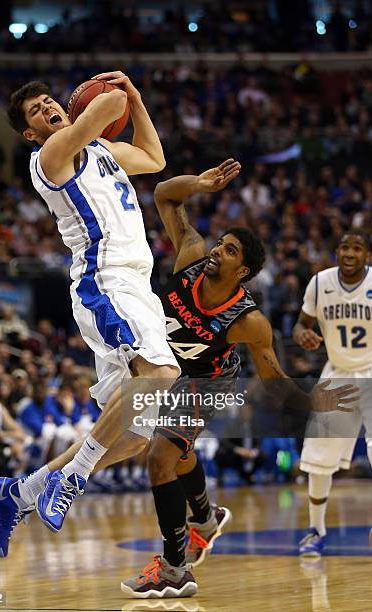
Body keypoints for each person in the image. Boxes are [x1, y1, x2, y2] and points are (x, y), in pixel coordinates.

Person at [120, 162, 359, 598]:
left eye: (230, 251)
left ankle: (175, 570)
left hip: (207, 381)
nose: (217, 250)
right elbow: (164, 196)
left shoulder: (249, 321)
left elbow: (273, 379)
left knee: (159, 459)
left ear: (243, 271)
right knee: (176, 454)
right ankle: (205, 518)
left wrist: (312, 403)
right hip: (164, 367)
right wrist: (200, 184)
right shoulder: (191, 255)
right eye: (222, 243)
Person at [0, 71, 179, 558]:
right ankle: (72, 475)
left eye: (50, 100)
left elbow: (155, 157)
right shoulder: (49, 157)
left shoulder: (101, 152)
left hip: (138, 285)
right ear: (30, 133)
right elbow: (97, 113)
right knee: (159, 372)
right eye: (37, 111)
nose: (47, 108)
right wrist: (112, 95)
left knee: (134, 437)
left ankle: (20, 492)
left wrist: (134, 98)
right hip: (106, 279)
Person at [294, 229, 371, 557]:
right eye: (344, 247)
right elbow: (301, 324)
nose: (350, 253)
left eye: (357, 248)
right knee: (317, 457)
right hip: (337, 373)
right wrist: (302, 336)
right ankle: (316, 530)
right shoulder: (319, 283)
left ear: (367, 255)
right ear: (336, 251)